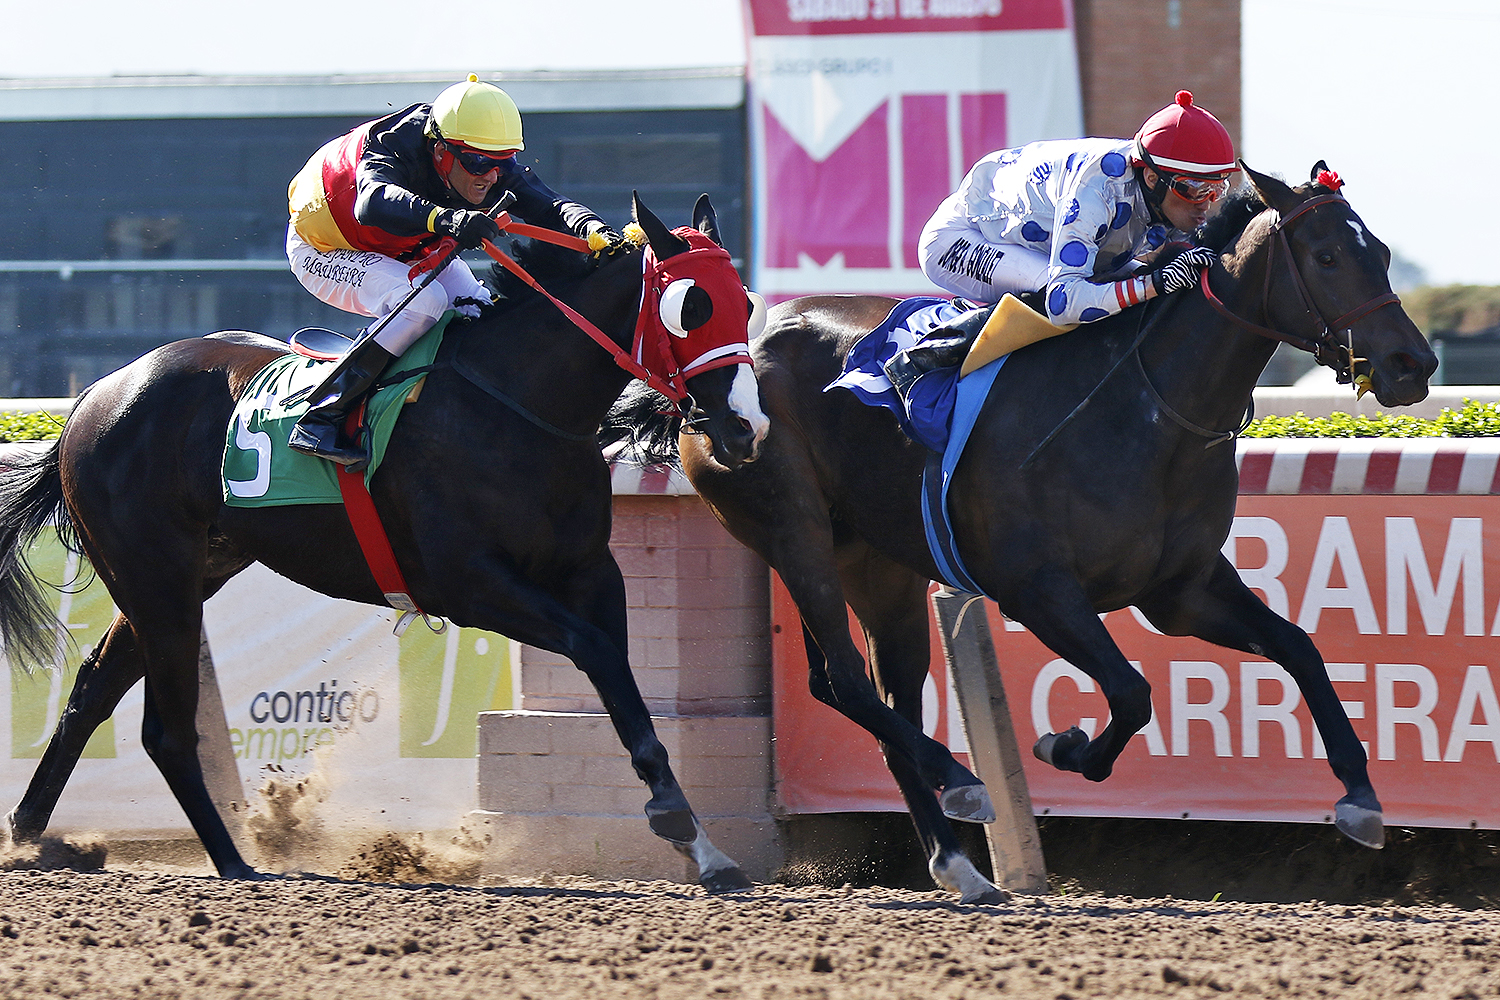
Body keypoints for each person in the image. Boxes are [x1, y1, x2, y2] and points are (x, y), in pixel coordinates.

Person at [284, 74, 620, 468]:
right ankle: (322, 414)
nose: (490, 176)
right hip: (327, 249)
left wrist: (598, 231)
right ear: (441, 150)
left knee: (480, 309)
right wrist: (450, 220)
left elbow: (551, 205)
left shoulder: (486, 159)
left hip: (405, 249)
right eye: (478, 162)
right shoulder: (394, 143)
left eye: (504, 162)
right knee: (423, 303)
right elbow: (372, 202)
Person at [916, 90, 1236, 340]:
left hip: (1038, 244)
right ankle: (935, 352)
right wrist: (1154, 283)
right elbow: (1063, 302)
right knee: (1053, 291)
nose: (1206, 203)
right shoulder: (1096, 188)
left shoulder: (1161, 192)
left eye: (1216, 189)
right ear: (1152, 178)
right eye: (1195, 189)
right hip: (959, 238)